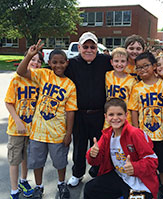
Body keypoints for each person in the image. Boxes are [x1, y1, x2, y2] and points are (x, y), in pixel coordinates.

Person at [16, 40, 78, 199]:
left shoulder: (70, 85)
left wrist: (68, 133)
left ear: (67, 63)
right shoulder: (43, 74)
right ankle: (39, 186)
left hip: (57, 132)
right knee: (37, 162)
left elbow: (70, 111)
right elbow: (21, 71)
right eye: (54, 62)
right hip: (38, 131)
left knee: (60, 162)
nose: (58, 65)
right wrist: (30, 55)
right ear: (49, 63)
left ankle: (61, 183)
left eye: (61, 62)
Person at [84, 98, 159, 199]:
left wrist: (135, 167)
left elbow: (153, 161)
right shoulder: (107, 135)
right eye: (111, 115)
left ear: (126, 115)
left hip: (140, 183)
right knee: (90, 189)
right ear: (106, 117)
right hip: (120, 177)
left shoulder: (135, 133)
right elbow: (94, 162)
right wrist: (92, 154)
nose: (115, 118)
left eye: (119, 114)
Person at [64, 32, 113, 187]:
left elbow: (124, 63)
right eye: (85, 46)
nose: (89, 50)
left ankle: (97, 172)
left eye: (92, 47)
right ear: (79, 47)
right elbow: (53, 73)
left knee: (98, 145)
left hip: (99, 114)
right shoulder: (71, 63)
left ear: (97, 48)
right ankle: (77, 173)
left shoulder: (105, 61)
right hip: (79, 114)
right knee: (79, 147)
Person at [128, 52, 163, 199]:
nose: (142, 70)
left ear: (154, 66)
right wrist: (136, 132)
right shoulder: (137, 87)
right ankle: (145, 188)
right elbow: (134, 110)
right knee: (145, 164)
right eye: (138, 68)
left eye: (145, 66)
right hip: (145, 136)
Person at [5, 51, 43, 199]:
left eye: (39, 61)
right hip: (17, 129)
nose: (36, 63)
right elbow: (9, 102)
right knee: (14, 159)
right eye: (33, 59)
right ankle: (14, 190)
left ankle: (23, 181)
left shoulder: (38, 80)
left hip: (31, 129)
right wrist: (18, 122)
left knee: (25, 156)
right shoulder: (17, 79)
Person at [104, 47, 136, 128]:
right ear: (111, 62)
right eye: (116, 61)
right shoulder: (107, 75)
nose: (119, 64)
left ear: (127, 63)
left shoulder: (131, 80)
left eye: (122, 61)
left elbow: (132, 104)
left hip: (125, 117)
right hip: (110, 116)